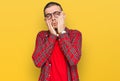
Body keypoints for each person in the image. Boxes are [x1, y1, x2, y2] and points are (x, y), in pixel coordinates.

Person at [32, 2, 82, 81]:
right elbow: (37, 62)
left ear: (63, 16)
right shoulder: (41, 36)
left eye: (56, 14)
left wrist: (62, 32)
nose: (53, 18)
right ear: (45, 20)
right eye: (49, 16)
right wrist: (52, 36)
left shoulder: (75, 35)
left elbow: (74, 60)